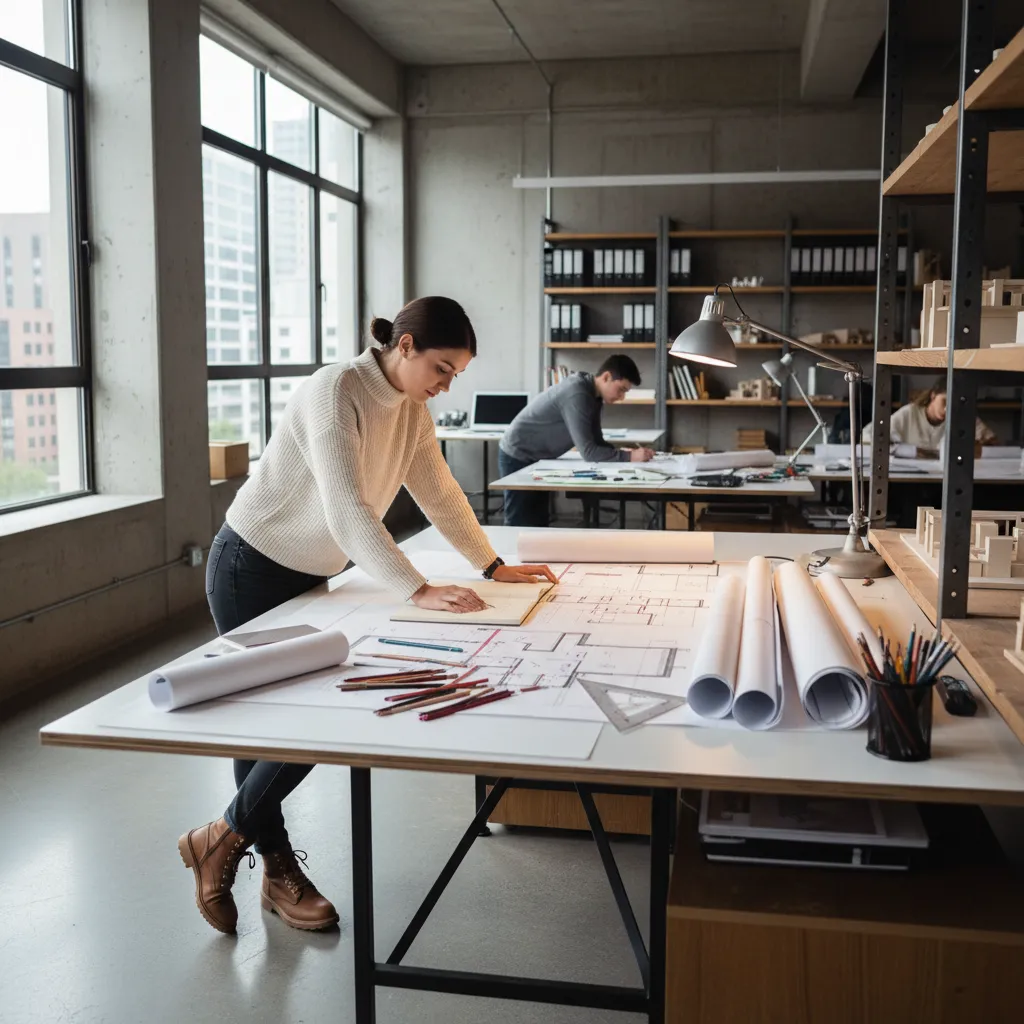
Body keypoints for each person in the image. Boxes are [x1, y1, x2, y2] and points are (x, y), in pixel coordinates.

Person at [180, 296, 557, 935]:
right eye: (442, 368)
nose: (445, 385)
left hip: (309, 571)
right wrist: (416, 588)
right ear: (403, 347)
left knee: (301, 716)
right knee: (278, 723)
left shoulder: (410, 411)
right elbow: (346, 508)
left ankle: (225, 840)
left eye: (456, 376)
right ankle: (267, 862)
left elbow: (438, 490)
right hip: (249, 564)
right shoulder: (337, 390)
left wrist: (492, 566)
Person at [498, 355, 655, 527]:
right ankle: (503, 555)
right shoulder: (577, 393)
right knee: (519, 521)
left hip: (537, 458)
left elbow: (597, 442)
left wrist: (629, 453)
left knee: (537, 522)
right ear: (606, 377)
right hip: (518, 455)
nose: (622, 397)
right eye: (621, 389)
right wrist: (629, 457)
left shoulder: (593, 396)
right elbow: (589, 452)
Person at [861, 378, 995, 450]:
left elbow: (992, 440)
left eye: (954, 404)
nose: (948, 409)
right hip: (912, 480)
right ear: (933, 396)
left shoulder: (960, 414)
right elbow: (868, 434)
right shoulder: (910, 413)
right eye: (944, 401)